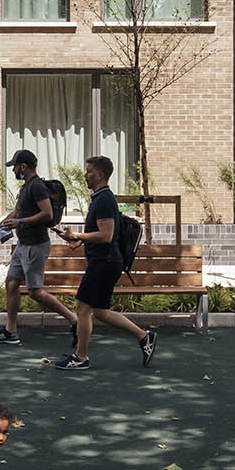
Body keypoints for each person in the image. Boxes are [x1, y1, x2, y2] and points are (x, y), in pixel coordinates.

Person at [55, 156, 155, 371]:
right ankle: (144, 336)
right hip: (105, 261)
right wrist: (80, 241)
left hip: (104, 263)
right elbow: (101, 234)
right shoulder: (101, 198)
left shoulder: (103, 200)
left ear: (100, 175)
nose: (85, 175)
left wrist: (78, 236)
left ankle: (80, 357)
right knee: (99, 311)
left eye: (89, 171)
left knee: (82, 307)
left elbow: (106, 235)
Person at [0, 149, 77, 345]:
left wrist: (21, 222)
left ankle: (74, 320)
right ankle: (10, 331)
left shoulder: (37, 187)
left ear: (23, 166)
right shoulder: (26, 187)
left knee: (35, 291)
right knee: (11, 283)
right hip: (23, 244)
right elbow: (17, 212)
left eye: (15, 167)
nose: (13, 170)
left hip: (36, 245)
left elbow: (47, 214)